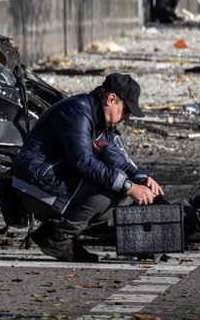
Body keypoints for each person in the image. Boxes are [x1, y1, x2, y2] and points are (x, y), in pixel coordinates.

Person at [11, 73, 164, 262]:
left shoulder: (98, 120)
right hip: (34, 186)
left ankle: (54, 233)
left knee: (121, 181)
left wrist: (140, 178)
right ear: (111, 99)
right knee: (117, 184)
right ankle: (59, 239)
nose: (126, 117)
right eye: (126, 110)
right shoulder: (78, 112)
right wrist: (130, 187)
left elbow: (115, 158)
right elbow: (84, 163)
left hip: (52, 182)